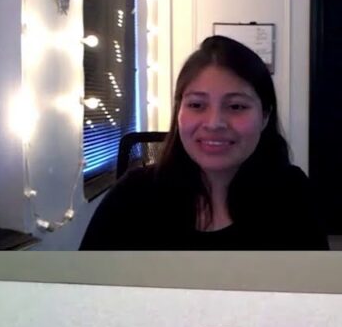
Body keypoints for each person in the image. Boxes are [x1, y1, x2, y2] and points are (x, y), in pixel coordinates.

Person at [81, 36, 329, 249]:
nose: (214, 123)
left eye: (236, 106)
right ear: (179, 112)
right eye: (197, 105)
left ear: (265, 116)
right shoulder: (132, 197)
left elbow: (315, 295)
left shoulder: (292, 195)